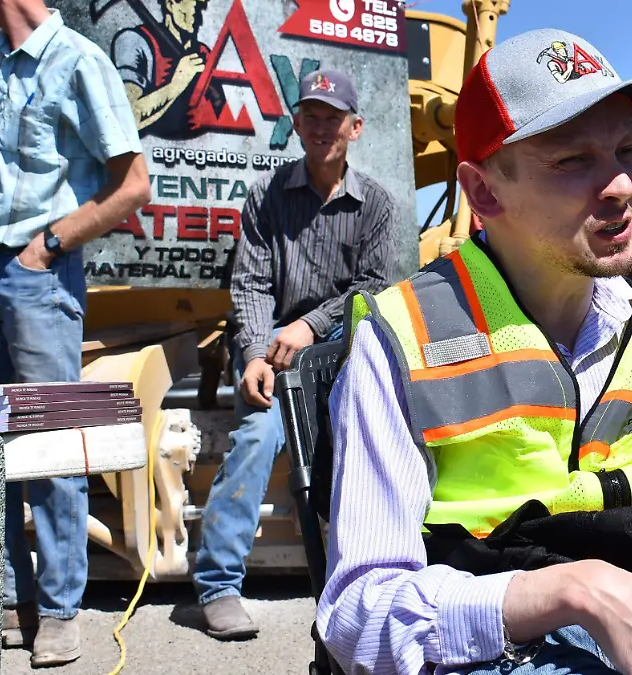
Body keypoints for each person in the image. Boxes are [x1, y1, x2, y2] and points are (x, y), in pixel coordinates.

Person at [317, 29, 632, 675]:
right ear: (483, 193)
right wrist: (576, 592)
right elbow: (357, 614)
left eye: (626, 149)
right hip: (500, 648)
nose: (623, 184)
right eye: (571, 160)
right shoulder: (403, 337)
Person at [0, 0, 149, 667]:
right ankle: (5, 598)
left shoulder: (79, 62)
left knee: (53, 447)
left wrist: (50, 244)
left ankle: (60, 610)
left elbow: (133, 185)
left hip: (39, 279)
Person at [193, 68, 397, 639]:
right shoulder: (265, 197)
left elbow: (372, 288)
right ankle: (218, 587)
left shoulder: (375, 205)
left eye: (334, 117)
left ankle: (359, 578)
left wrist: (310, 327)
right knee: (256, 437)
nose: (322, 126)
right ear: (297, 124)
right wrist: (256, 353)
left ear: (355, 128)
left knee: (358, 441)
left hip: (335, 344)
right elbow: (251, 284)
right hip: (269, 348)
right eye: (312, 115)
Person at [112, 0, 214, 139]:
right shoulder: (135, 41)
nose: (197, 14)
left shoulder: (203, 53)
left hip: (203, 156)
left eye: (200, 6)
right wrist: (176, 84)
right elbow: (128, 117)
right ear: (170, 4)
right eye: (191, 3)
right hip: (143, 156)